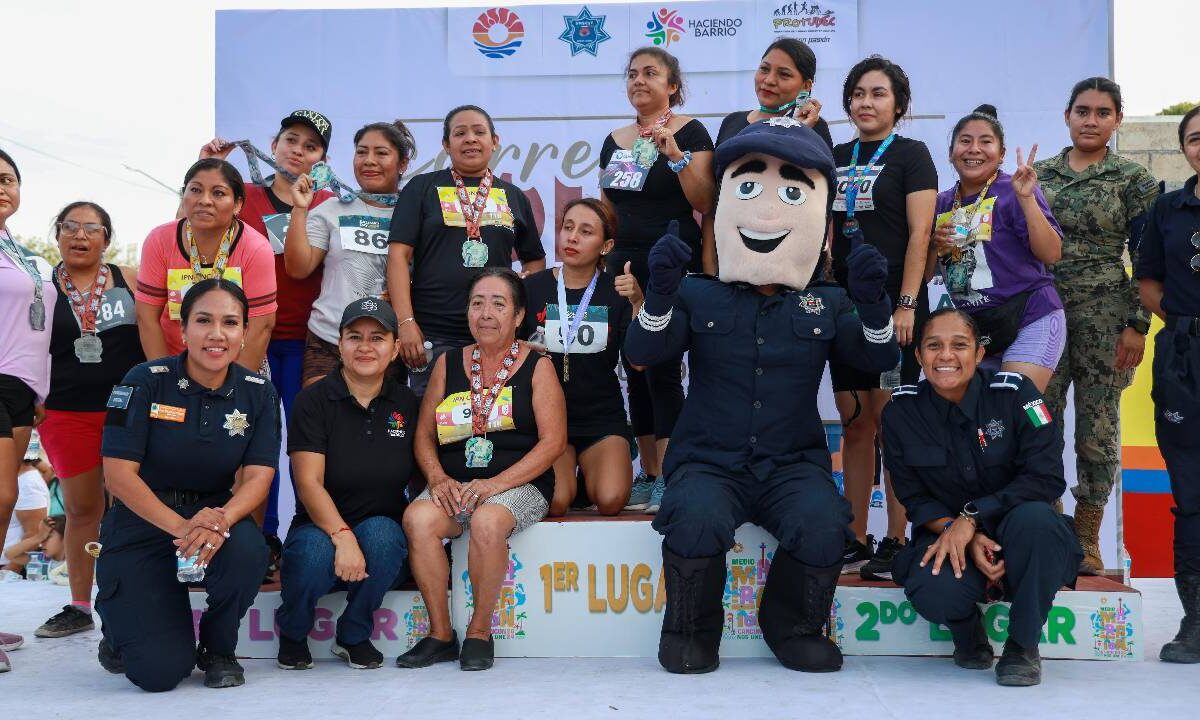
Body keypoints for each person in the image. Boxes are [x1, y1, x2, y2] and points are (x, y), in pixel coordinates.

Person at [626, 117, 899, 674]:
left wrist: (874, 310)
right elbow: (644, 352)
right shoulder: (698, 295)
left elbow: (877, 361)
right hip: (708, 460)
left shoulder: (827, 302)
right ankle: (690, 630)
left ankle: (793, 626)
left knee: (826, 522)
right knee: (694, 516)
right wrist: (657, 295)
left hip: (790, 465)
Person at [96, 279, 280, 691]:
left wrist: (219, 521)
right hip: (143, 518)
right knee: (159, 674)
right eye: (203, 321)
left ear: (244, 333)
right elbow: (118, 475)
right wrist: (182, 528)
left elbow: (258, 476)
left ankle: (218, 648)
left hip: (213, 515)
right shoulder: (144, 380)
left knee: (249, 551)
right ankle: (120, 627)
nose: (217, 334)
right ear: (182, 330)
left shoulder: (259, 393)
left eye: (230, 323)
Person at [883, 308, 1081, 686]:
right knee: (932, 589)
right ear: (919, 356)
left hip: (1019, 534)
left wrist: (972, 518)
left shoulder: (1017, 394)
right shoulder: (901, 411)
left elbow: (1046, 478)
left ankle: (1022, 646)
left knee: (1038, 523)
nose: (946, 356)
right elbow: (914, 497)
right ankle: (965, 628)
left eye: (959, 345)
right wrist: (964, 534)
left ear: (978, 353)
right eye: (934, 346)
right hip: (950, 537)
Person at [396, 269, 565, 671]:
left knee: (488, 522)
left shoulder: (538, 367)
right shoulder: (448, 363)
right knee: (418, 518)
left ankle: (478, 633)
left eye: (498, 304)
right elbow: (424, 436)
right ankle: (440, 634)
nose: (485, 313)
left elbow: (553, 442)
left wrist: (494, 485)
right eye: (477, 303)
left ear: (519, 316)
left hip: (517, 483)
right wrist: (437, 479)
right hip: (455, 482)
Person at [1034, 78, 1160, 575]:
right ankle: (1045, 524)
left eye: (1102, 113)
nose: (1091, 120)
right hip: (1042, 314)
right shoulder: (1039, 175)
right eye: (1082, 111)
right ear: (1067, 116)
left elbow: (1149, 258)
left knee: (1097, 427)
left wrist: (1137, 325)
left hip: (1106, 318)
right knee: (1039, 420)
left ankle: (1087, 537)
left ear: (1117, 121)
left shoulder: (1133, 180)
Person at [199, 110, 336, 551]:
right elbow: (193, 230)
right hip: (251, 339)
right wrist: (205, 166)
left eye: (310, 146)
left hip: (307, 341)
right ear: (274, 144)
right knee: (253, 437)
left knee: (305, 440)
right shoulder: (246, 198)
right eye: (291, 140)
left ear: (322, 160)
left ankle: (305, 528)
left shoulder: (328, 203)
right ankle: (262, 535)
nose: (298, 151)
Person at [829, 56, 938, 581]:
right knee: (855, 425)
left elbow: (921, 235)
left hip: (897, 307)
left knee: (892, 423)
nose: (866, 103)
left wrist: (908, 303)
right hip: (846, 308)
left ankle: (897, 538)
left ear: (898, 104)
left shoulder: (913, 155)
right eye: (858, 94)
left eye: (878, 94)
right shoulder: (834, 154)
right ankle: (853, 537)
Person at [600, 47, 715, 513]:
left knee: (664, 367)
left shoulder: (690, 131)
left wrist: (675, 156)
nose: (639, 81)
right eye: (632, 75)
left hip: (672, 258)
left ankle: (673, 471)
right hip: (624, 263)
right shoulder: (614, 137)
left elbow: (706, 200)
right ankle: (648, 472)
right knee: (633, 366)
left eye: (650, 74)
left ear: (672, 86)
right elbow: (607, 206)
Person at [276, 298, 416, 670]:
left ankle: (353, 634)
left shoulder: (408, 403)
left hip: (381, 531)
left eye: (377, 337)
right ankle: (292, 631)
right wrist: (342, 535)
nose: (365, 347)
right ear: (340, 345)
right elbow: (308, 483)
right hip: (319, 527)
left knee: (386, 539)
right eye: (355, 337)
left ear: (396, 348)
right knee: (311, 556)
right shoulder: (312, 400)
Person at [34, 202, 144, 638]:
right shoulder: (39, 286)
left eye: (91, 228)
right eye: (70, 227)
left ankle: (137, 597)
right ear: (57, 234)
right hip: (64, 412)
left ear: (107, 238)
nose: (80, 236)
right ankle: (80, 605)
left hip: (127, 409)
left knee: (135, 505)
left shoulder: (130, 281)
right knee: (83, 509)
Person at [387, 106, 545, 398]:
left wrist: (518, 305)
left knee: (491, 427)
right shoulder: (422, 188)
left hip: (495, 335)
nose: (470, 139)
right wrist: (405, 323)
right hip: (432, 336)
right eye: (460, 133)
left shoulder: (513, 196)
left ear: (495, 140)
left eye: (479, 132)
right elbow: (398, 256)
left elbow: (534, 260)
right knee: (435, 428)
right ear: (446, 145)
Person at [932, 105, 1065, 393]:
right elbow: (927, 270)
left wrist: (1027, 200)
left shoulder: (1012, 190)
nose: (974, 149)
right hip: (977, 329)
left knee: (1015, 404)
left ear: (1001, 153)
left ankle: (1042, 437)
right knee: (977, 415)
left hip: (1031, 316)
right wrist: (935, 245)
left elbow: (1052, 254)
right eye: (965, 141)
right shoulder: (941, 203)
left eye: (986, 142)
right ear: (951, 151)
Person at [521, 198, 640, 515]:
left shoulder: (618, 291)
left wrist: (639, 303)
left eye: (586, 232)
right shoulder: (532, 287)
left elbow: (639, 360)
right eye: (568, 228)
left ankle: (587, 476)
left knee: (612, 499)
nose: (572, 238)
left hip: (601, 416)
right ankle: (570, 480)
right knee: (556, 502)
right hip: (546, 420)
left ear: (606, 245)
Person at [1135, 105, 1200, 664]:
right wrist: (1183, 320)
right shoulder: (1168, 209)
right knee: (1192, 495)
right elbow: (1147, 279)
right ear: (1184, 148)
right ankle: (1196, 624)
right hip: (1183, 360)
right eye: (1196, 138)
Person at [286, 120, 415, 385]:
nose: (369, 160)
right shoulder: (331, 209)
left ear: (402, 164)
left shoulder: (418, 213)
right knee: (323, 423)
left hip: (387, 344)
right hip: (329, 338)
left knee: (377, 426)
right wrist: (300, 208)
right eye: (361, 152)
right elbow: (299, 269)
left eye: (381, 153)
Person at [135, 158, 277, 374]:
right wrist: (166, 379)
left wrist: (232, 388)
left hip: (239, 365)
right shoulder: (159, 241)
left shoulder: (256, 248)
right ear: (184, 196)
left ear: (238, 204)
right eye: (195, 190)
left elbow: (261, 327)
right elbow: (147, 318)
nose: (204, 200)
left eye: (218, 193)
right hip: (174, 363)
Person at [706, 38, 834, 277]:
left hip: (790, 266)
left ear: (805, 86)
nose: (769, 80)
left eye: (783, 74)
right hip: (731, 259)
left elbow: (820, 203)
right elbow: (717, 196)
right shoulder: (732, 122)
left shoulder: (815, 129)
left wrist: (799, 128)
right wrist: (710, 262)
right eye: (764, 69)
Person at [0, 148, 54, 674]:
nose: (2, 186)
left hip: (20, 391)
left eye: (9, 179)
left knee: (4, 497)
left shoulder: (17, 249)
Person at [2, 449, 51, 575]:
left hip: (8, 569)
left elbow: (35, 532)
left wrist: (10, 570)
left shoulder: (27, 483)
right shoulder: (12, 477)